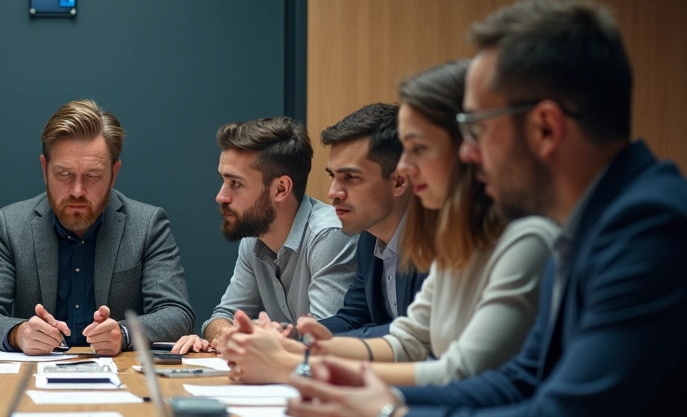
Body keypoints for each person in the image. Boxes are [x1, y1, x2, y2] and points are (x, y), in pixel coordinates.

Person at [286, 0, 687, 417]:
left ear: (545, 128)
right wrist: (374, 396)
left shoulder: (647, 227)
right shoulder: (588, 219)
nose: (468, 155)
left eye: (476, 129)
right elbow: (519, 381)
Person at [224, 61, 558, 386]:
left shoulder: (524, 238)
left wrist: (299, 365)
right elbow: (407, 337)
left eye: (419, 148)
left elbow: (460, 372)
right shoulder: (453, 237)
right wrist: (297, 347)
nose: (406, 167)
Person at [0, 99, 194, 356]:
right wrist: (18, 333)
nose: (77, 191)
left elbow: (176, 313)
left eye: (93, 176)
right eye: (64, 174)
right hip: (35, 376)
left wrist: (124, 333)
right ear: (44, 169)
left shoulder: (148, 225)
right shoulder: (11, 224)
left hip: (123, 374)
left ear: (114, 174)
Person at [172, 117, 358, 354]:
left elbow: (324, 340)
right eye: (223, 181)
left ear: (280, 189)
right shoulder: (254, 237)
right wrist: (225, 334)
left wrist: (257, 338)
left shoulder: (329, 235)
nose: (221, 196)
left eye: (235, 183)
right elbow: (223, 316)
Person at [317, 103, 425, 338]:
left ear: (399, 181)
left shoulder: (437, 240)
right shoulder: (369, 237)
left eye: (350, 177)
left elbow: (418, 335)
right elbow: (353, 318)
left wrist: (316, 345)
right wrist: (291, 335)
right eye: (332, 176)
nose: (333, 192)